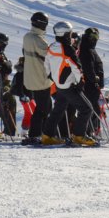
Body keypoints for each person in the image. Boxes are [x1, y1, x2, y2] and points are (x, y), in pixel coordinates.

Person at [44, 21, 96, 146]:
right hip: (69, 85)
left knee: (59, 109)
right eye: (70, 33)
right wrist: (80, 83)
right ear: (66, 34)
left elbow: (46, 63)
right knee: (87, 109)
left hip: (58, 85)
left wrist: (51, 76)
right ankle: (79, 136)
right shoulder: (68, 49)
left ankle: (47, 135)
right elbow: (77, 67)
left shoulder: (52, 46)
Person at [22, 11, 53, 146]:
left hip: (30, 78)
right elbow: (49, 56)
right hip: (41, 79)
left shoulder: (27, 37)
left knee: (45, 107)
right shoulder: (38, 40)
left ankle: (42, 133)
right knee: (43, 108)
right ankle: (35, 134)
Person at [79, 27, 106, 136]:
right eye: (93, 37)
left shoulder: (89, 48)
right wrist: (94, 78)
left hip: (93, 85)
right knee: (93, 109)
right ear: (88, 37)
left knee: (95, 110)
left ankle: (90, 132)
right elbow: (87, 67)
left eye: (97, 37)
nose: (95, 39)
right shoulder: (86, 50)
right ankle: (87, 132)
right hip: (90, 86)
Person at [11, 56, 35, 131]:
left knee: (29, 113)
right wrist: (22, 95)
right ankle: (28, 130)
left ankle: (25, 130)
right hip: (25, 97)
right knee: (32, 112)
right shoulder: (21, 73)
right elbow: (19, 86)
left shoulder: (27, 71)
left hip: (29, 96)